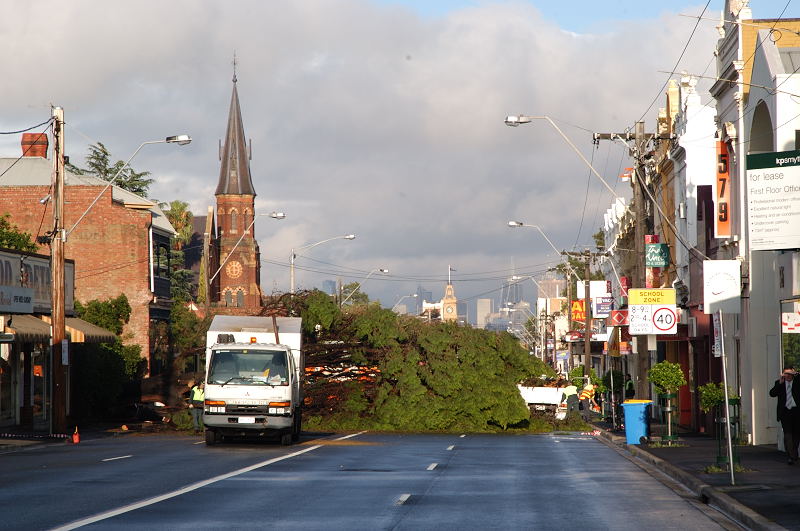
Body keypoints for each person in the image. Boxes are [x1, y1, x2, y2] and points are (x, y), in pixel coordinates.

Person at [769, 367, 800, 464]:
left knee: (796, 434)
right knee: (787, 434)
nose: (788, 376)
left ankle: (794, 453)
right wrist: (780, 383)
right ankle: (791, 456)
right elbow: (772, 393)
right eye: (786, 373)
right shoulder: (779, 383)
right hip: (785, 412)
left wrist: (796, 374)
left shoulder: (798, 381)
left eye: (790, 373)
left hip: (797, 411)